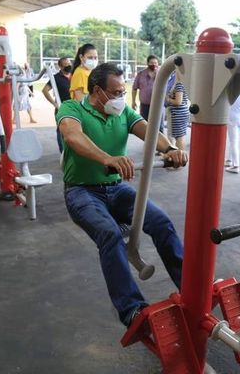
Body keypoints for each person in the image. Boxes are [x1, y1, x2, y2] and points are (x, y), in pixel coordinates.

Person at [56, 63, 187, 327]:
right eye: (115, 92)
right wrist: (108, 158)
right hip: (82, 190)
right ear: (97, 91)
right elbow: (72, 136)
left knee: (161, 222)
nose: (120, 98)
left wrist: (170, 149)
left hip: (116, 189)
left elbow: (151, 134)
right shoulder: (72, 108)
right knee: (110, 233)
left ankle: (190, 288)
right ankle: (132, 310)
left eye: (122, 92)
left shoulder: (123, 112)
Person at [42, 57, 72, 152]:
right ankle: (63, 153)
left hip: (75, 107)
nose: (68, 65)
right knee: (61, 131)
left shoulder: (74, 76)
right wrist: (55, 104)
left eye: (69, 63)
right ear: (60, 66)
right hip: (62, 108)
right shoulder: (56, 78)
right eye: (66, 64)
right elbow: (45, 90)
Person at [132, 55, 164, 133]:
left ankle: (160, 144)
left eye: (156, 63)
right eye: (152, 63)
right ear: (147, 63)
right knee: (145, 126)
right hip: (145, 105)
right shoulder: (141, 74)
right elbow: (134, 88)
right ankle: (147, 144)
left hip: (158, 105)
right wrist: (133, 101)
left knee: (159, 126)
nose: (154, 65)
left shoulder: (162, 74)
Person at [165, 68, 191, 151]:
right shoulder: (184, 83)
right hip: (181, 113)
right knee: (179, 137)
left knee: (179, 138)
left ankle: (180, 156)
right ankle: (179, 155)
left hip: (177, 114)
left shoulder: (179, 84)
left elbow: (178, 102)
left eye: (176, 71)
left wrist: (168, 99)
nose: (174, 73)